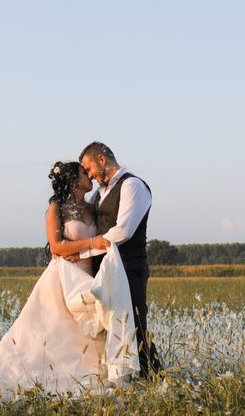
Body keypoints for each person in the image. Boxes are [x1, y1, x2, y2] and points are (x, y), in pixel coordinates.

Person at [0, 161, 139, 400]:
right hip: (63, 278)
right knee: (53, 335)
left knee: (90, 332)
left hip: (88, 279)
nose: (90, 177)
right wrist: (91, 244)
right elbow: (56, 246)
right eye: (85, 173)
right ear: (74, 180)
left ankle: (93, 373)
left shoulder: (92, 206)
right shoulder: (57, 208)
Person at [73, 141, 162, 378]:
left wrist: (83, 251)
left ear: (102, 159)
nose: (89, 175)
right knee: (110, 330)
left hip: (130, 267)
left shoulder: (133, 185)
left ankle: (156, 380)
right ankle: (121, 379)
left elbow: (123, 231)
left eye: (89, 168)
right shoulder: (97, 195)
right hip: (104, 270)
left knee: (135, 326)